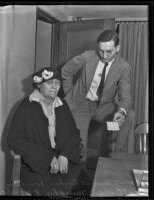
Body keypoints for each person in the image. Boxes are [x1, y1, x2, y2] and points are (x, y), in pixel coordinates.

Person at [7, 67, 91, 197]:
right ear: (39, 85)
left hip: (61, 161)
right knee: (58, 192)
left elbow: (73, 133)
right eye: (49, 83)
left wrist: (65, 154)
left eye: (57, 83)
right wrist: (47, 157)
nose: (54, 87)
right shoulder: (26, 105)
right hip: (35, 166)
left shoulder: (62, 104)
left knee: (85, 183)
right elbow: (14, 141)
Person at [62, 29, 132, 162]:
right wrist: (70, 93)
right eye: (101, 51)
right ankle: (79, 176)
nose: (104, 55)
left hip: (103, 108)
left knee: (128, 117)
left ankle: (116, 160)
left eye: (109, 51)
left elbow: (125, 96)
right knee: (79, 145)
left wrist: (121, 112)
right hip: (81, 105)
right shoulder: (87, 57)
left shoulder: (124, 67)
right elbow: (65, 72)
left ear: (118, 48)